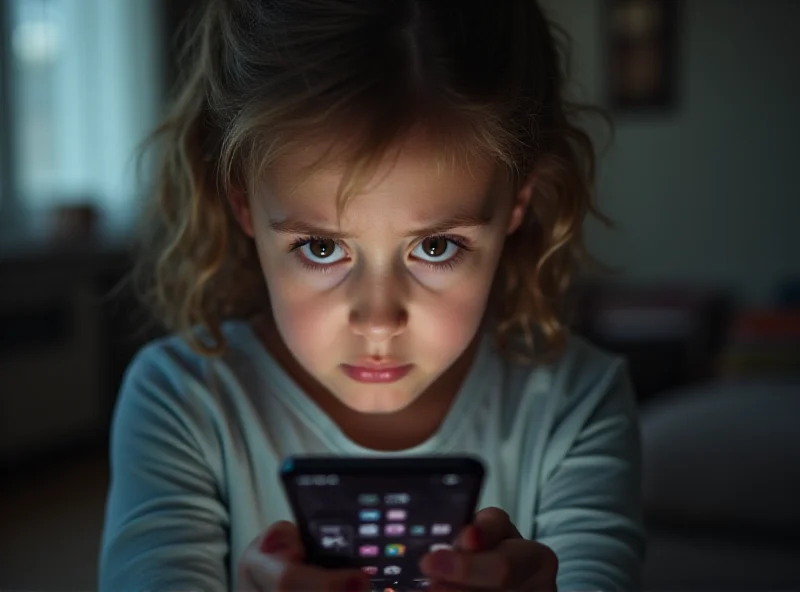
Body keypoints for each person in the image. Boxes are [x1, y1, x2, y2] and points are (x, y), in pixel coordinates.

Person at [99, 0, 645, 590]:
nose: (379, 322)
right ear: (242, 203)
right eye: (322, 248)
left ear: (517, 202)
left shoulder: (576, 406)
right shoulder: (180, 402)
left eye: (436, 247)